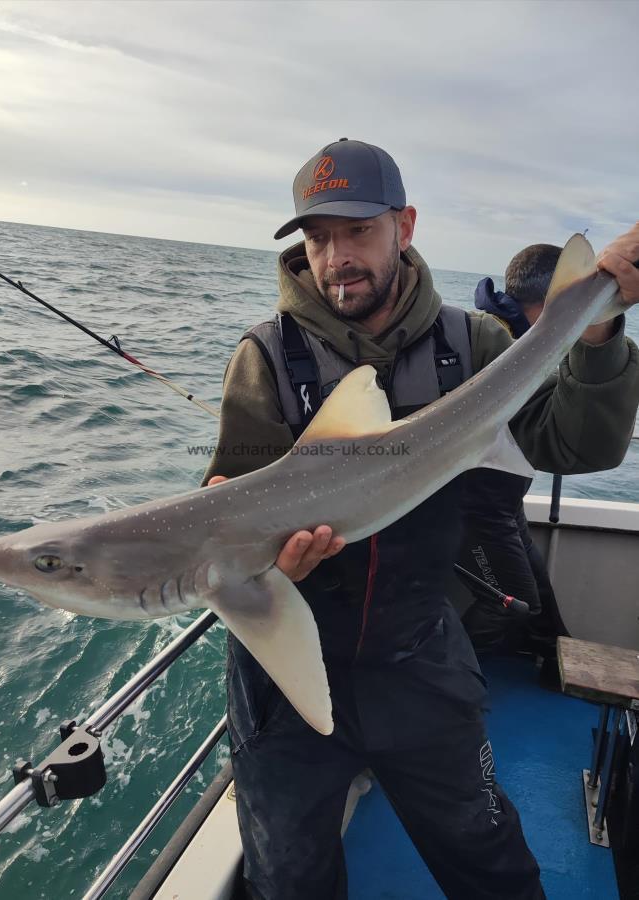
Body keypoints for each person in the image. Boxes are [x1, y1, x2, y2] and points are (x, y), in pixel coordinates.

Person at [202, 138, 639, 900]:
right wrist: (261, 557)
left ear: (403, 225)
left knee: (488, 857)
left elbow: (579, 445)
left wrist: (596, 330)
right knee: (289, 877)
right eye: (317, 235)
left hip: (421, 652)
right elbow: (230, 500)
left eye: (357, 231)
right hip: (290, 669)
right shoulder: (266, 356)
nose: (335, 256)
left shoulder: (474, 344)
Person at [458, 244, 571, 671]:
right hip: (475, 509)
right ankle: (446, 685)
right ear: (554, 299)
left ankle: (554, 671)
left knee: (541, 607)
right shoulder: (492, 344)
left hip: (506, 505)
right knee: (512, 604)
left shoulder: (527, 338)